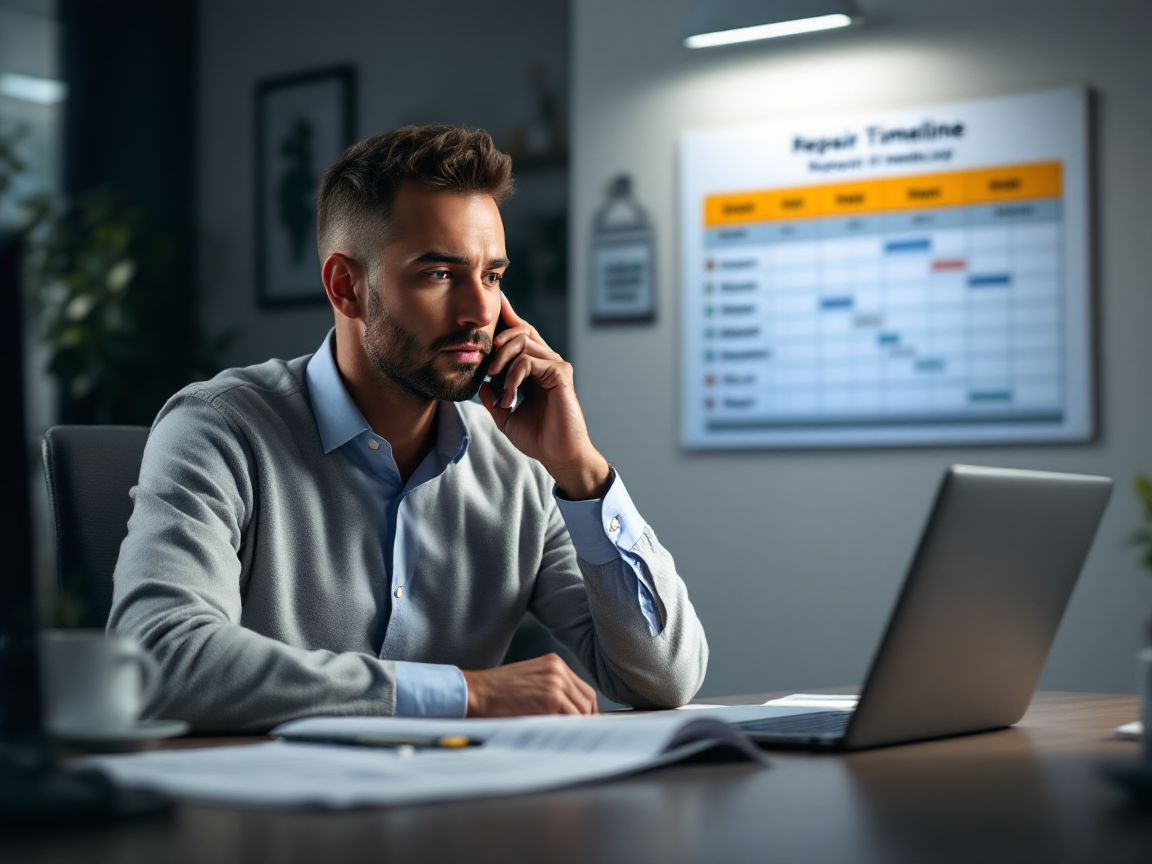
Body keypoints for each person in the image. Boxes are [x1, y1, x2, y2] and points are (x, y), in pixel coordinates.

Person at [109, 125, 707, 732]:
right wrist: (462, 694)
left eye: (493, 277)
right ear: (347, 288)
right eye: (440, 274)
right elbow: (158, 657)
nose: (480, 312)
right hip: (265, 820)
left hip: (455, 818)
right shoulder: (219, 430)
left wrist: (583, 474)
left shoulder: (517, 468)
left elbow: (661, 678)